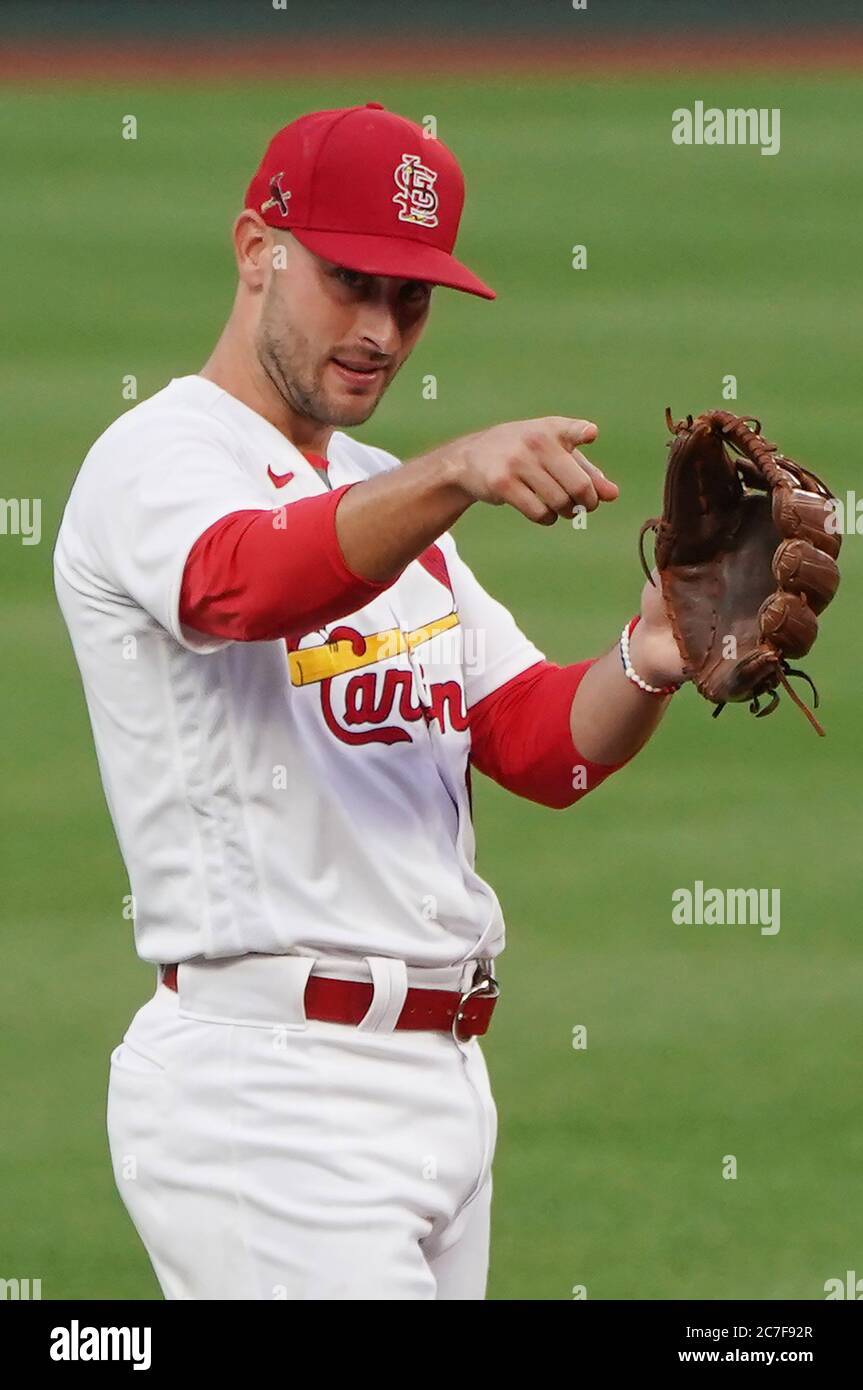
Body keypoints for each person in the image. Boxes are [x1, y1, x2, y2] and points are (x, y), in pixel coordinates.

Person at [54, 103, 685, 1300]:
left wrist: (650, 651)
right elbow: (242, 584)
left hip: (438, 1087)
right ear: (257, 249)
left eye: (410, 297)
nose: (382, 330)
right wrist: (451, 472)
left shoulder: (377, 493)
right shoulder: (157, 458)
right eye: (352, 281)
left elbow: (534, 742)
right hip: (268, 1095)